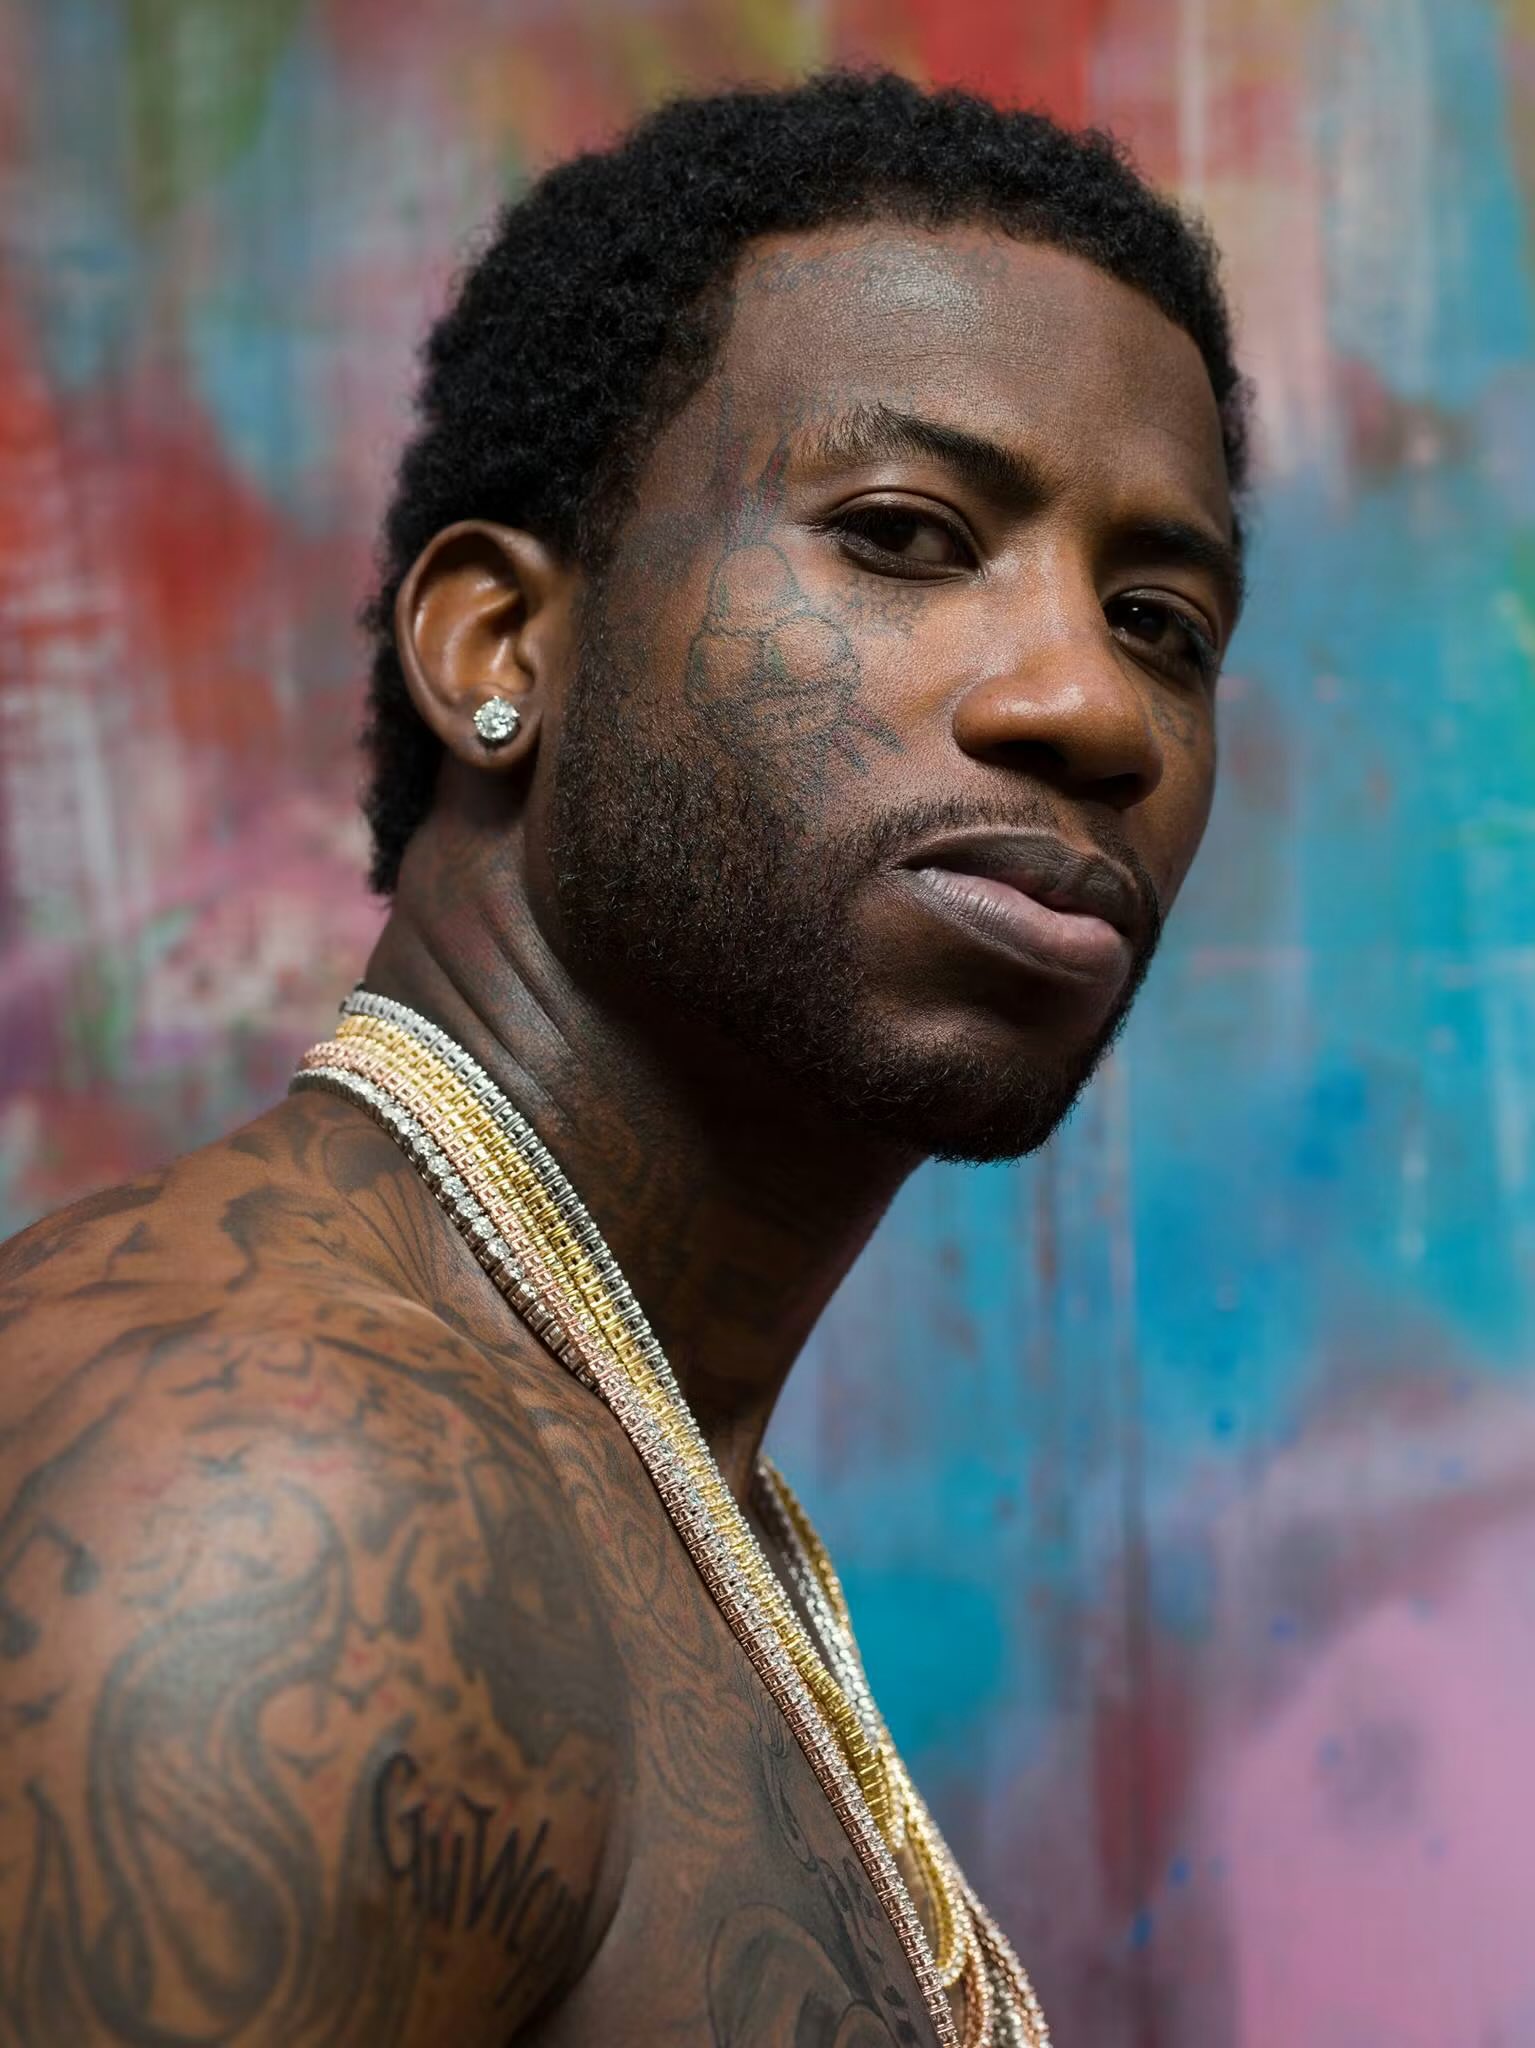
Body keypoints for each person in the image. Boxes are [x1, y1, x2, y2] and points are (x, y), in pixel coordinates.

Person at [0, 69, 1248, 2048]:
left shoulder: (634, 1485)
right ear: (500, 645)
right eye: (906, 534)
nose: (1093, 705)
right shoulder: (289, 1490)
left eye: (1164, 621)